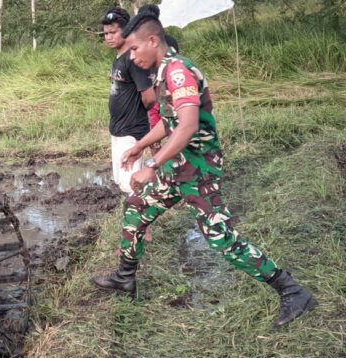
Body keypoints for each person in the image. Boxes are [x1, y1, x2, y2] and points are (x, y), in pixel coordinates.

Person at [90, 9, 317, 328]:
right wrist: (140, 147)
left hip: (197, 171)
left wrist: (151, 164)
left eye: (134, 49)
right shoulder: (162, 70)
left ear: (153, 41)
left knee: (220, 237)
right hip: (178, 168)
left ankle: (291, 291)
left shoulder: (178, 71)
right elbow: (169, 124)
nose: (131, 56)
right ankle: (125, 277)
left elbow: (187, 126)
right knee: (137, 207)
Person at [102, 7, 156, 194]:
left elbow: (149, 97)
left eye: (113, 32)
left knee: (131, 184)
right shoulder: (118, 59)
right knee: (122, 182)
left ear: (125, 31)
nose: (108, 37)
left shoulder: (134, 60)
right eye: (106, 33)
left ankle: (141, 218)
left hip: (132, 130)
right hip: (117, 129)